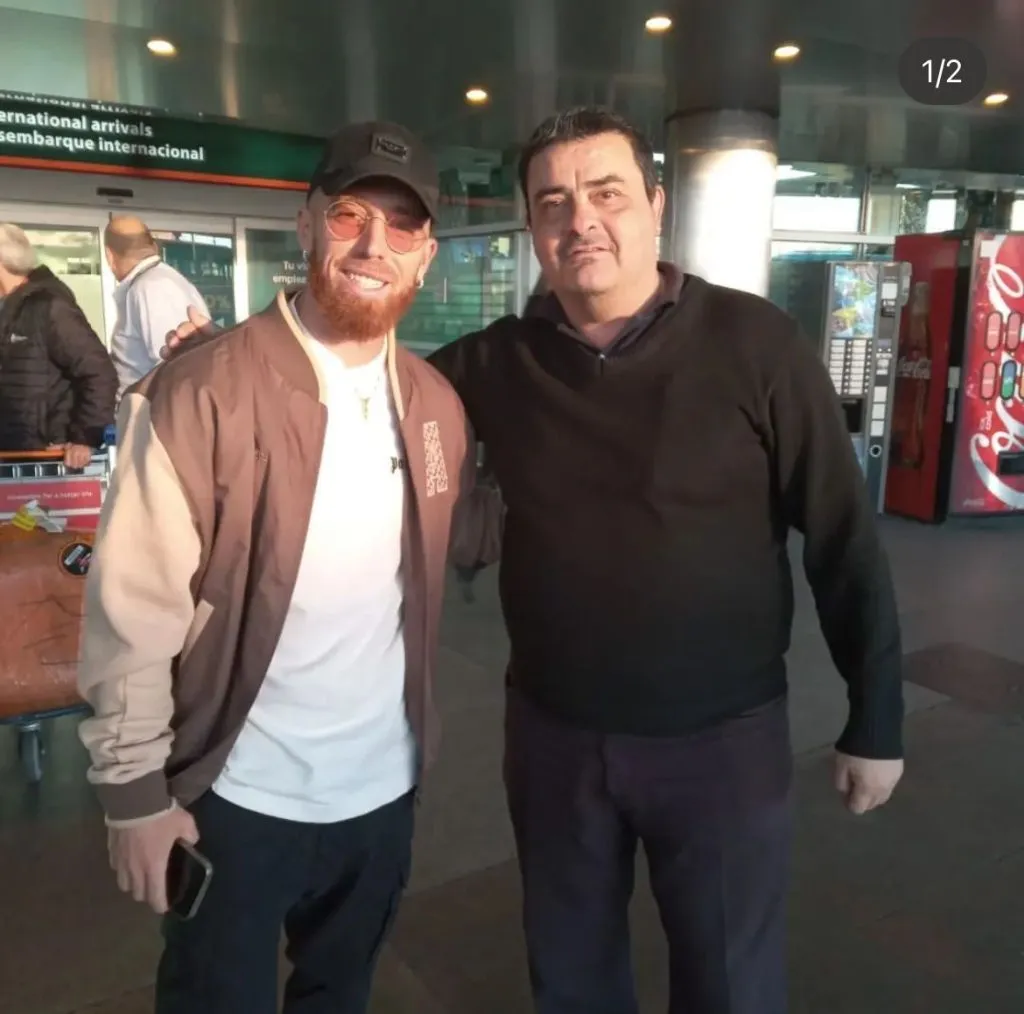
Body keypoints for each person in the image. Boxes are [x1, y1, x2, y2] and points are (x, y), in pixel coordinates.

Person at [162, 106, 905, 1014]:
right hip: (555, 740)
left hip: (722, 743)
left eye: (606, 194)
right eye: (553, 201)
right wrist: (224, 359)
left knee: (730, 980)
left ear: (655, 206)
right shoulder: (494, 365)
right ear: (532, 226)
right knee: (570, 975)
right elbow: (358, 372)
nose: (580, 219)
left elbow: (842, 536)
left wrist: (877, 717)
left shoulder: (756, 346)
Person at [77, 121, 501, 1014]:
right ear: (306, 225)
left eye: (402, 228)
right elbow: (133, 608)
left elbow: (464, 540)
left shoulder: (433, 407)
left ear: (425, 258)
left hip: (382, 797)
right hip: (235, 798)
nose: (373, 246)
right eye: (350, 215)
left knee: (338, 996)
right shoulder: (202, 393)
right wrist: (132, 796)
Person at [0, 223, 117, 467]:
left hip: (45, 459)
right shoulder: (8, 307)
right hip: (11, 457)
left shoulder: (50, 306)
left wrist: (84, 438)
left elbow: (99, 372)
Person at [104, 215, 212, 396]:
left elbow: (175, 373)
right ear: (154, 247)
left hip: (147, 419)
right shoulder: (158, 281)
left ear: (109, 256)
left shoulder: (151, 287)